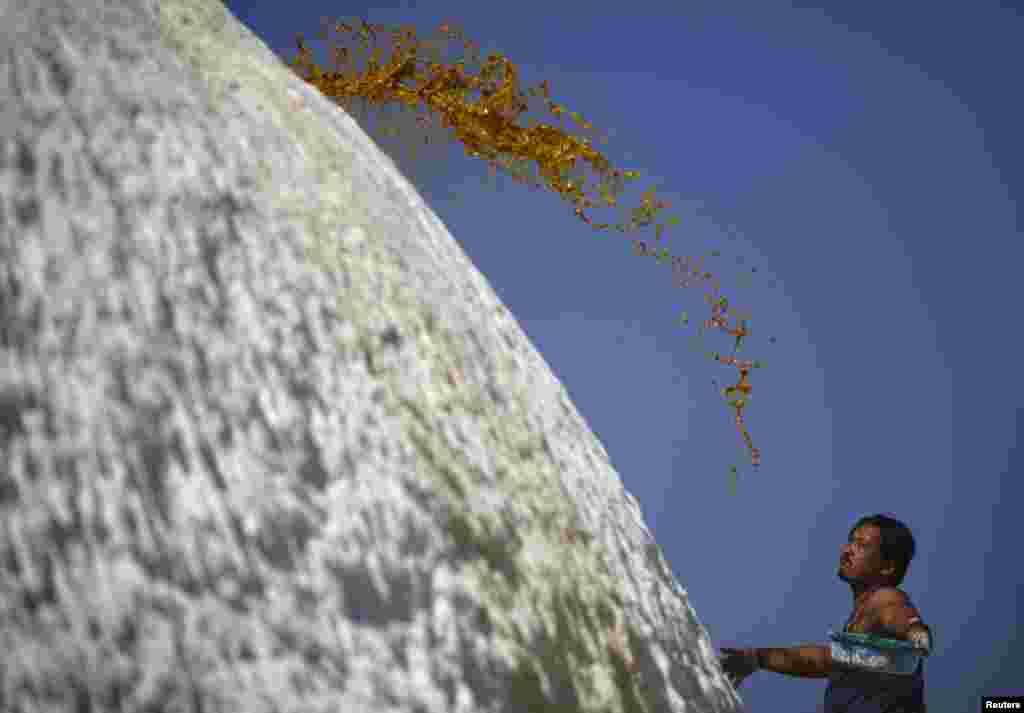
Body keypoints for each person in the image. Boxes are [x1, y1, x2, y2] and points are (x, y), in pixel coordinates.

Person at [719, 514, 933, 712]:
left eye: (862, 545)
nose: (848, 550)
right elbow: (824, 660)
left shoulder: (885, 597)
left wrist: (915, 630)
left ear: (887, 567)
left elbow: (898, 613)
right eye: (850, 541)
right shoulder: (860, 628)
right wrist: (759, 658)